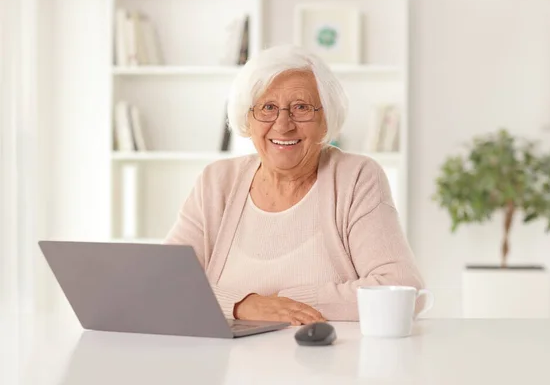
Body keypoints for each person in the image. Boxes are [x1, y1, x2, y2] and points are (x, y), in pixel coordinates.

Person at [165, 45, 425, 325]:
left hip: (330, 362)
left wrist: (290, 303)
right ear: (247, 119)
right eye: (268, 108)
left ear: (325, 120)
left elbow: (404, 290)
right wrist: (242, 305)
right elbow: (163, 283)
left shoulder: (356, 177)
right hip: (228, 364)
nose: (283, 124)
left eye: (301, 107)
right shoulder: (216, 182)